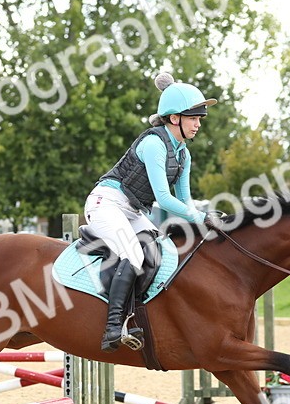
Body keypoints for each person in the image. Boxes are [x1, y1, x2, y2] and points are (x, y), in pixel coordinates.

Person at [84, 72, 226, 352]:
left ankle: (136, 316)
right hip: (107, 203)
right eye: (194, 117)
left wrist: (203, 218)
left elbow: (185, 200)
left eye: (200, 118)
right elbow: (164, 198)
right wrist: (199, 217)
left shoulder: (184, 153)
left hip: (132, 210)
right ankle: (112, 327)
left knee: (159, 251)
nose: (199, 124)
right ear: (175, 118)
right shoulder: (153, 144)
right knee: (134, 254)